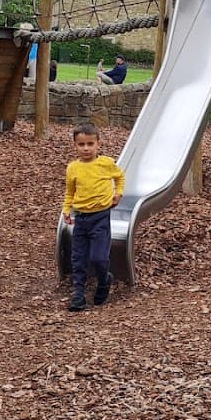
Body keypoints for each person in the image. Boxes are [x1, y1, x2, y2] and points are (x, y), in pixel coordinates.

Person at [63, 123, 125, 311]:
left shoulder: (106, 163)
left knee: (98, 258)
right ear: (75, 146)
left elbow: (120, 177)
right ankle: (79, 295)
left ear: (98, 144)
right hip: (81, 218)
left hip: (100, 217)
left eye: (90, 144)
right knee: (78, 258)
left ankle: (104, 280)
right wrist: (66, 210)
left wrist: (118, 193)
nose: (86, 148)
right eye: (81, 144)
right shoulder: (73, 168)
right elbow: (70, 192)